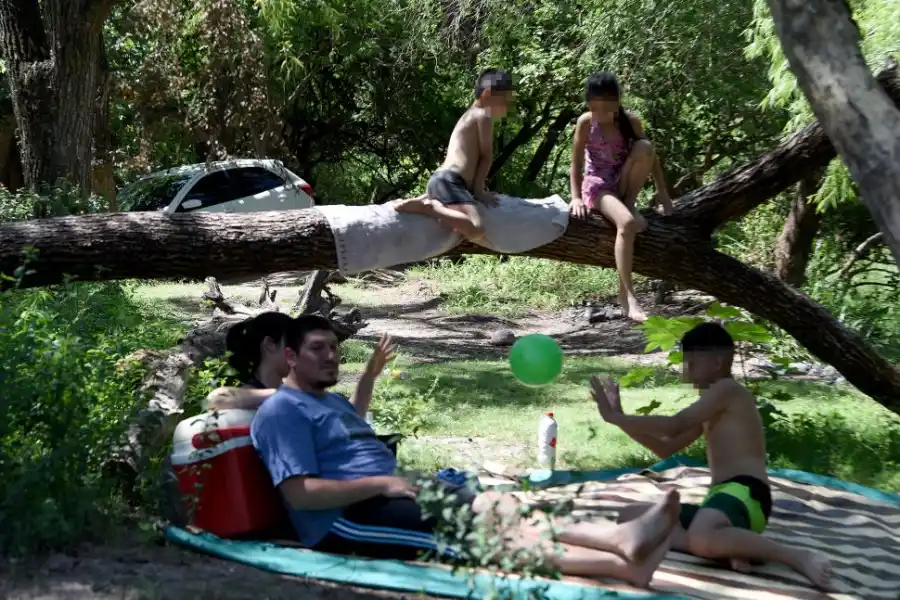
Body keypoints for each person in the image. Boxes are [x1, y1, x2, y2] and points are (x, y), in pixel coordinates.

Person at [250, 314, 683, 586]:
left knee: (499, 502)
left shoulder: (330, 402)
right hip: (346, 522)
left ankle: (619, 541)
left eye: (334, 349)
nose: (330, 357)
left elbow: (356, 432)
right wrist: (385, 481)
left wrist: (370, 380)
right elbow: (300, 495)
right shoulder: (282, 412)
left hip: (394, 493)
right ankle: (621, 566)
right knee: (482, 535)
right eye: (317, 349)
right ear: (290, 356)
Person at [590, 322, 834, 591]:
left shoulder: (727, 390)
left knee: (699, 537)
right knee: (631, 517)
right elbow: (666, 448)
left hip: (747, 494)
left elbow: (675, 424)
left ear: (717, 362)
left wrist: (618, 416)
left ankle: (795, 556)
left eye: (692, 363)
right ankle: (729, 546)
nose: (686, 372)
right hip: (721, 500)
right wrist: (620, 422)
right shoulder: (712, 402)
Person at [569, 72, 674, 323]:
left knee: (645, 148)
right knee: (626, 224)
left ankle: (628, 206)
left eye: (606, 107)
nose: (599, 113)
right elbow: (575, 165)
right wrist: (575, 198)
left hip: (622, 182)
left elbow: (651, 159)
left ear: (617, 103)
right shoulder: (585, 123)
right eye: (594, 107)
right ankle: (627, 296)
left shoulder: (631, 122)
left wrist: (663, 193)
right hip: (597, 187)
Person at [389, 69, 514, 243]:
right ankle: (429, 208)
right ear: (488, 94)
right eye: (505, 99)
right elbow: (486, 156)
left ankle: (426, 201)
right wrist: (479, 190)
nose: (507, 105)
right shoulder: (483, 115)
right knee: (477, 230)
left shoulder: (467, 116)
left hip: (442, 181)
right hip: (450, 181)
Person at [205, 312, 397, 412]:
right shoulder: (257, 392)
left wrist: (369, 375)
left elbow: (352, 415)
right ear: (270, 345)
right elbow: (215, 400)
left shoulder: (299, 393)